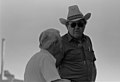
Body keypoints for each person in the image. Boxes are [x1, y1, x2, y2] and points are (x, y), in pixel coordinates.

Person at [54, 5, 97, 82]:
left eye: (80, 24)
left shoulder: (87, 40)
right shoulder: (61, 42)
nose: (77, 27)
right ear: (67, 26)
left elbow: (92, 63)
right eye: (73, 25)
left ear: (84, 25)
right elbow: (53, 67)